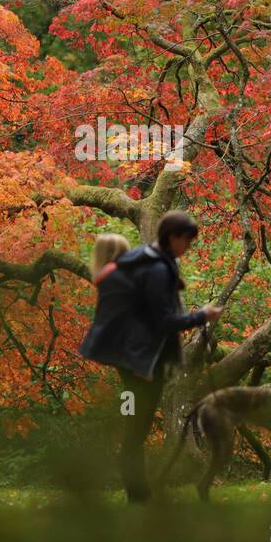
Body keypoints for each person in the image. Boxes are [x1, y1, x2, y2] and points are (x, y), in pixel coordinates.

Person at [76, 211, 223, 502]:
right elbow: (164, 321)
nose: (188, 248)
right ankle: (137, 495)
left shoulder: (147, 259)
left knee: (136, 428)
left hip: (135, 356)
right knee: (137, 430)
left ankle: (138, 493)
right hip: (142, 359)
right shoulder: (156, 269)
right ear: (173, 237)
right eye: (187, 241)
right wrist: (202, 316)